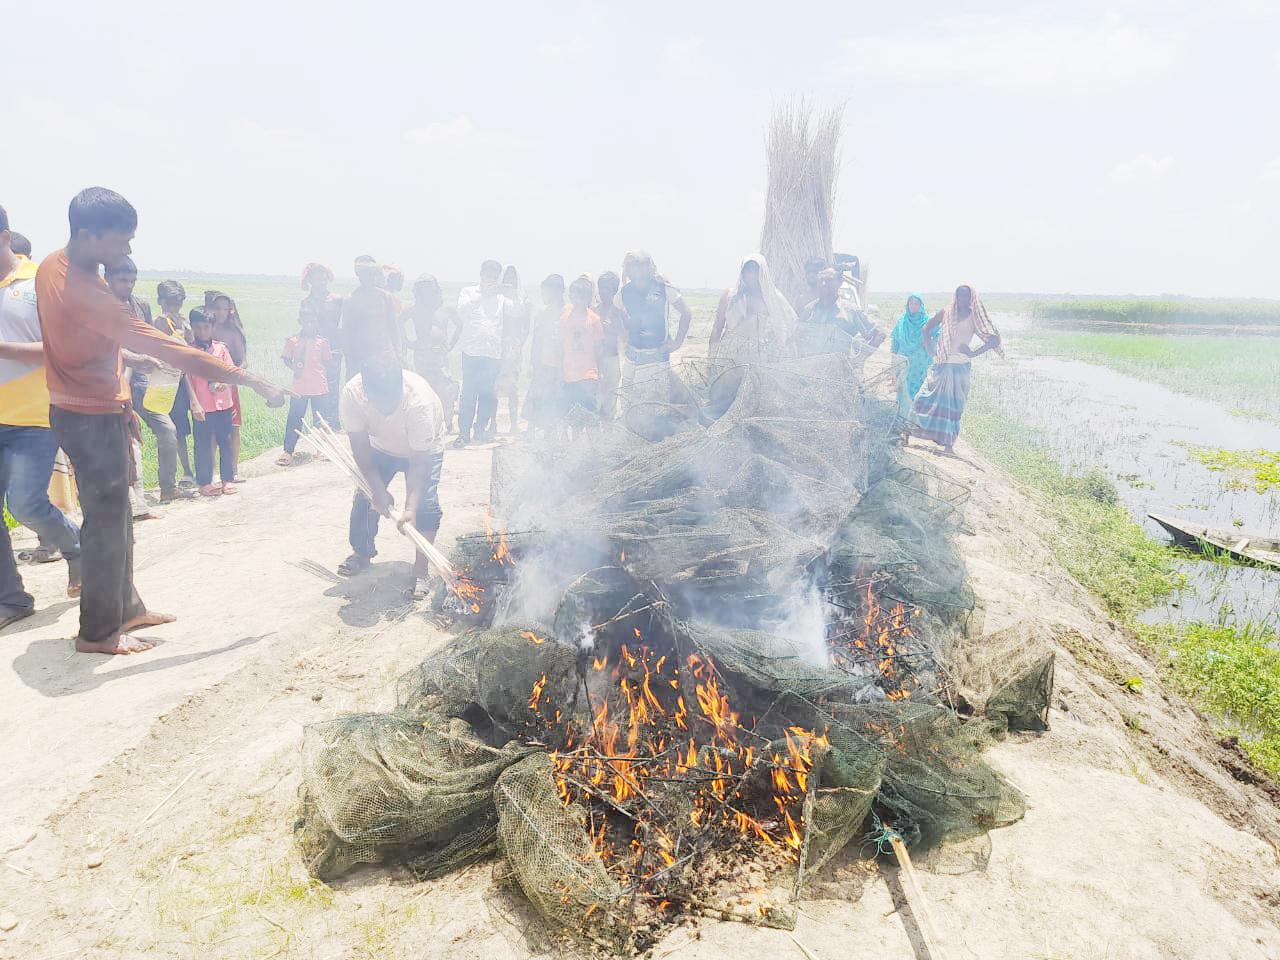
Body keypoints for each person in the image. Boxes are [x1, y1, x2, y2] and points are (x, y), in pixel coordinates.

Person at [35, 186, 287, 655]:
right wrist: (249, 380)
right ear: (89, 236)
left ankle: (125, 609)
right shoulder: (89, 292)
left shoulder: (54, 264)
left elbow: (89, 349)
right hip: (89, 418)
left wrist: (124, 396)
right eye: (120, 241)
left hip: (91, 407)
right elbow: (169, 348)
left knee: (116, 519)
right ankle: (96, 633)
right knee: (106, 524)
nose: (128, 250)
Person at [0, 203, 82, 611]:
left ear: (4, 238)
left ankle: (76, 547)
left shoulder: (38, 283)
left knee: (26, 505)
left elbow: (62, 349)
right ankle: (11, 600)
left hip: (34, 417)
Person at [338, 355, 446, 600]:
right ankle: (362, 552)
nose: (386, 407)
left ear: (400, 385)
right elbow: (360, 448)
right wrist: (377, 490)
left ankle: (421, 570)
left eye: (391, 399)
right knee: (365, 497)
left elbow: (419, 464)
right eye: (380, 401)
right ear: (367, 391)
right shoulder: (353, 394)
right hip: (380, 447)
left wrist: (410, 508)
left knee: (426, 506)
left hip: (423, 450)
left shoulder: (419, 403)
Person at [105, 258, 165, 519]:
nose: (127, 286)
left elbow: (144, 341)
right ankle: (120, 507)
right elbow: (113, 349)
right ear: (107, 277)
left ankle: (137, 505)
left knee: (132, 445)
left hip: (132, 379)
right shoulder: (98, 307)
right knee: (114, 449)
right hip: (106, 384)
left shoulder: (139, 305)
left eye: (132, 281)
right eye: (122, 281)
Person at [910, 285, 1002, 455]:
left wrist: (974, 352)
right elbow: (926, 329)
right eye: (959, 296)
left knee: (954, 407)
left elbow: (994, 340)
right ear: (956, 297)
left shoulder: (975, 317)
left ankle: (948, 445)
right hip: (942, 364)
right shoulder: (946, 312)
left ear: (971, 298)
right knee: (922, 400)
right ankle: (909, 433)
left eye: (966, 296)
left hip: (961, 368)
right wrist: (931, 350)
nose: (962, 300)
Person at [452, 260, 515, 447]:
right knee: (469, 394)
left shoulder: (502, 299)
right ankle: (464, 433)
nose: (491, 280)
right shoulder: (468, 292)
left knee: (487, 394)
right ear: (481, 275)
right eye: (488, 275)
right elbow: (461, 311)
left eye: (494, 277)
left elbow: (516, 313)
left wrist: (513, 293)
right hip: (471, 352)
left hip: (492, 353)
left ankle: (480, 430)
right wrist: (483, 296)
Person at [618, 250, 691, 397]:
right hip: (632, 355)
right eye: (633, 265)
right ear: (628, 269)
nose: (638, 268)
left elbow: (686, 313)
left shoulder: (662, 288)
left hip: (657, 355)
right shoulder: (624, 292)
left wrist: (677, 343)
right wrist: (624, 336)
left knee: (655, 400)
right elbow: (615, 312)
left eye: (642, 264)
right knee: (629, 397)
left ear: (649, 267)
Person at [187, 312, 239, 496]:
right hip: (202, 404)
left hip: (223, 403)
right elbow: (187, 378)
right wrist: (194, 402)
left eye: (206, 327)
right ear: (192, 327)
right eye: (198, 327)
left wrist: (225, 384)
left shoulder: (221, 349)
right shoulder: (189, 351)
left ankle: (227, 479)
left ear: (213, 328)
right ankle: (204, 482)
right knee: (202, 443)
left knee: (225, 441)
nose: (202, 331)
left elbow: (231, 373)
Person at [709, 255, 796, 363]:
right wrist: (711, 359)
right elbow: (717, 328)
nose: (751, 275)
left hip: (758, 355)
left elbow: (787, 323)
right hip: (730, 353)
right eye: (748, 271)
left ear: (763, 273)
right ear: (742, 273)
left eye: (755, 271)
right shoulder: (730, 296)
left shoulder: (772, 298)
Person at [277, 310, 333, 466]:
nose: (309, 325)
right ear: (300, 321)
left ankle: (322, 449)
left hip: (319, 387)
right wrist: (295, 368)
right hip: (299, 388)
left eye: (312, 321)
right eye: (306, 321)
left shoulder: (322, 343)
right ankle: (288, 451)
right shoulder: (292, 341)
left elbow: (328, 362)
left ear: (317, 322)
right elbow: (286, 359)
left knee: (321, 420)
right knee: (294, 419)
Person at [157, 280, 198, 489]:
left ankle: (192, 469)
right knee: (173, 430)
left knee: (188, 428)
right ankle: (180, 473)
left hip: (184, 379)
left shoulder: (181, 322)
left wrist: (184, 326)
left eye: (178, 303)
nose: (174, 308)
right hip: (167, 381)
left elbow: (190, 341)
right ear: (160, 302)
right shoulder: (159, 322)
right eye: (171, 303)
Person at [405, 274, 458, 431]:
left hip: (440, 355)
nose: (427, 292)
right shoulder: (414, 310)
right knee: (423, 388)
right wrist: (408, 342)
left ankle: (447, 422)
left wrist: (452, 344)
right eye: (424, 289)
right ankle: (426, 422)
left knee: (445, 388)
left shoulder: (445, 309)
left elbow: (459, 325)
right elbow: (398, 322)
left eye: (430, 288)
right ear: (419, 291)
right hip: (422, 355)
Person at [790, 267, 880, 358]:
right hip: (812, 369)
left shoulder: (850, 311)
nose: (824, 284)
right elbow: (796, 337)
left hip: (840, 370)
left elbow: (879, 335)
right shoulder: (809, 309)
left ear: (840, 282)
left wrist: (860, 359)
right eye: (821, 280)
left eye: (829, 280)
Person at [340, 255, 404, 380]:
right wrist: (349, 360)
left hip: (384, 357)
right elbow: (346, 333)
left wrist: (399, 355)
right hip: (359, 358)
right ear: (358, 275)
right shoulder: (350, 300)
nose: (368, 277)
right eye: (364, 273)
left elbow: (394, 329)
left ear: (375, 274)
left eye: (371, 273)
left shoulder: (386, 298)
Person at [206, 292, 248, 480]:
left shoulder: (233, 333)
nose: (222, 313)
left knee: (233, 427)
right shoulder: (206, 329)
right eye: (217, 308)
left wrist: (232, 378)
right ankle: (213, 471)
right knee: (212, 430)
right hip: (206, 385)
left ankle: (234, 469)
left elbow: (244, 362)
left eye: (226, 309)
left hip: (229, 385)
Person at [559, 275, 606, 433]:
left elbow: (599, 349)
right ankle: (576, 450)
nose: (578, 301)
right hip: (568, 375)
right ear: (570, 296)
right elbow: (561, 345)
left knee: (591, 414)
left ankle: (596, 450)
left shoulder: (594, 319)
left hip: (588, 375)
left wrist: (600, 372)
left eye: (582, 298)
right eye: (575, 297)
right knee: (574, 417)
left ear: (588, 298)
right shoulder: (564, 318)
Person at [301, 262, 344, 425]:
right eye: (317, 279)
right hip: (313, 351)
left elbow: (342, 326)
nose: (321, 282)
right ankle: (319, 423)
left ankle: (333, 423)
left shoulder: (337, 300)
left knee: (332, 387)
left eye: (324, 278)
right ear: (310, 280)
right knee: (316, 387)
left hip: (333, 349)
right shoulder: (306, 303)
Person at [524, 274, 565, 437]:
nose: (543, 295)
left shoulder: (567, 312)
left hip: (561, 367)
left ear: (557, 292)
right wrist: (533, 365)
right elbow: (536, 341)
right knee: (536, 397)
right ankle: (531, 432)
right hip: (543, 365)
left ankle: (552, 434)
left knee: (556, 402)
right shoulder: (541, 314)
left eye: (546, 291)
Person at [494, 265, 529, 435]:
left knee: (513, 387)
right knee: (494, 386)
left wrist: (518, 345)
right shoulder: (497, 298)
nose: (509, 283)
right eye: (507, 279)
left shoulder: (522, 299)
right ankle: (492, 424)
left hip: (514, 348)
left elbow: (525, 327)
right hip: (497, 347)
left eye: (512, 280)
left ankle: (514, 424)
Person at [890, 294, 933, 430]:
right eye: (911, 304)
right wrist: (893, 361)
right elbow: (895, 342)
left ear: (921, 306)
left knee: (916, 392)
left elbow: (936, 337)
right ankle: (900, 421)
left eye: (916, 304)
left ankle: (911, 423)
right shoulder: (902, 321)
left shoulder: (927, 322)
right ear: (907, 305)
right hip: (903, 361)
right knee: (902, 390)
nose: (913, 306)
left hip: (918, 364)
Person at [593, 271, 624, 420]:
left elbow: (626, 337)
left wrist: (614, 328)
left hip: (612, 359)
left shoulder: (619, 313)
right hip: (594, 360)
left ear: (614, 291)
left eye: (607, 289)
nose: (603, 292)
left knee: (610, 399)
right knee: (595, 398)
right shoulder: (593, 312)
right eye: (601, 288)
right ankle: (595, 435)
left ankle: (608, 435)